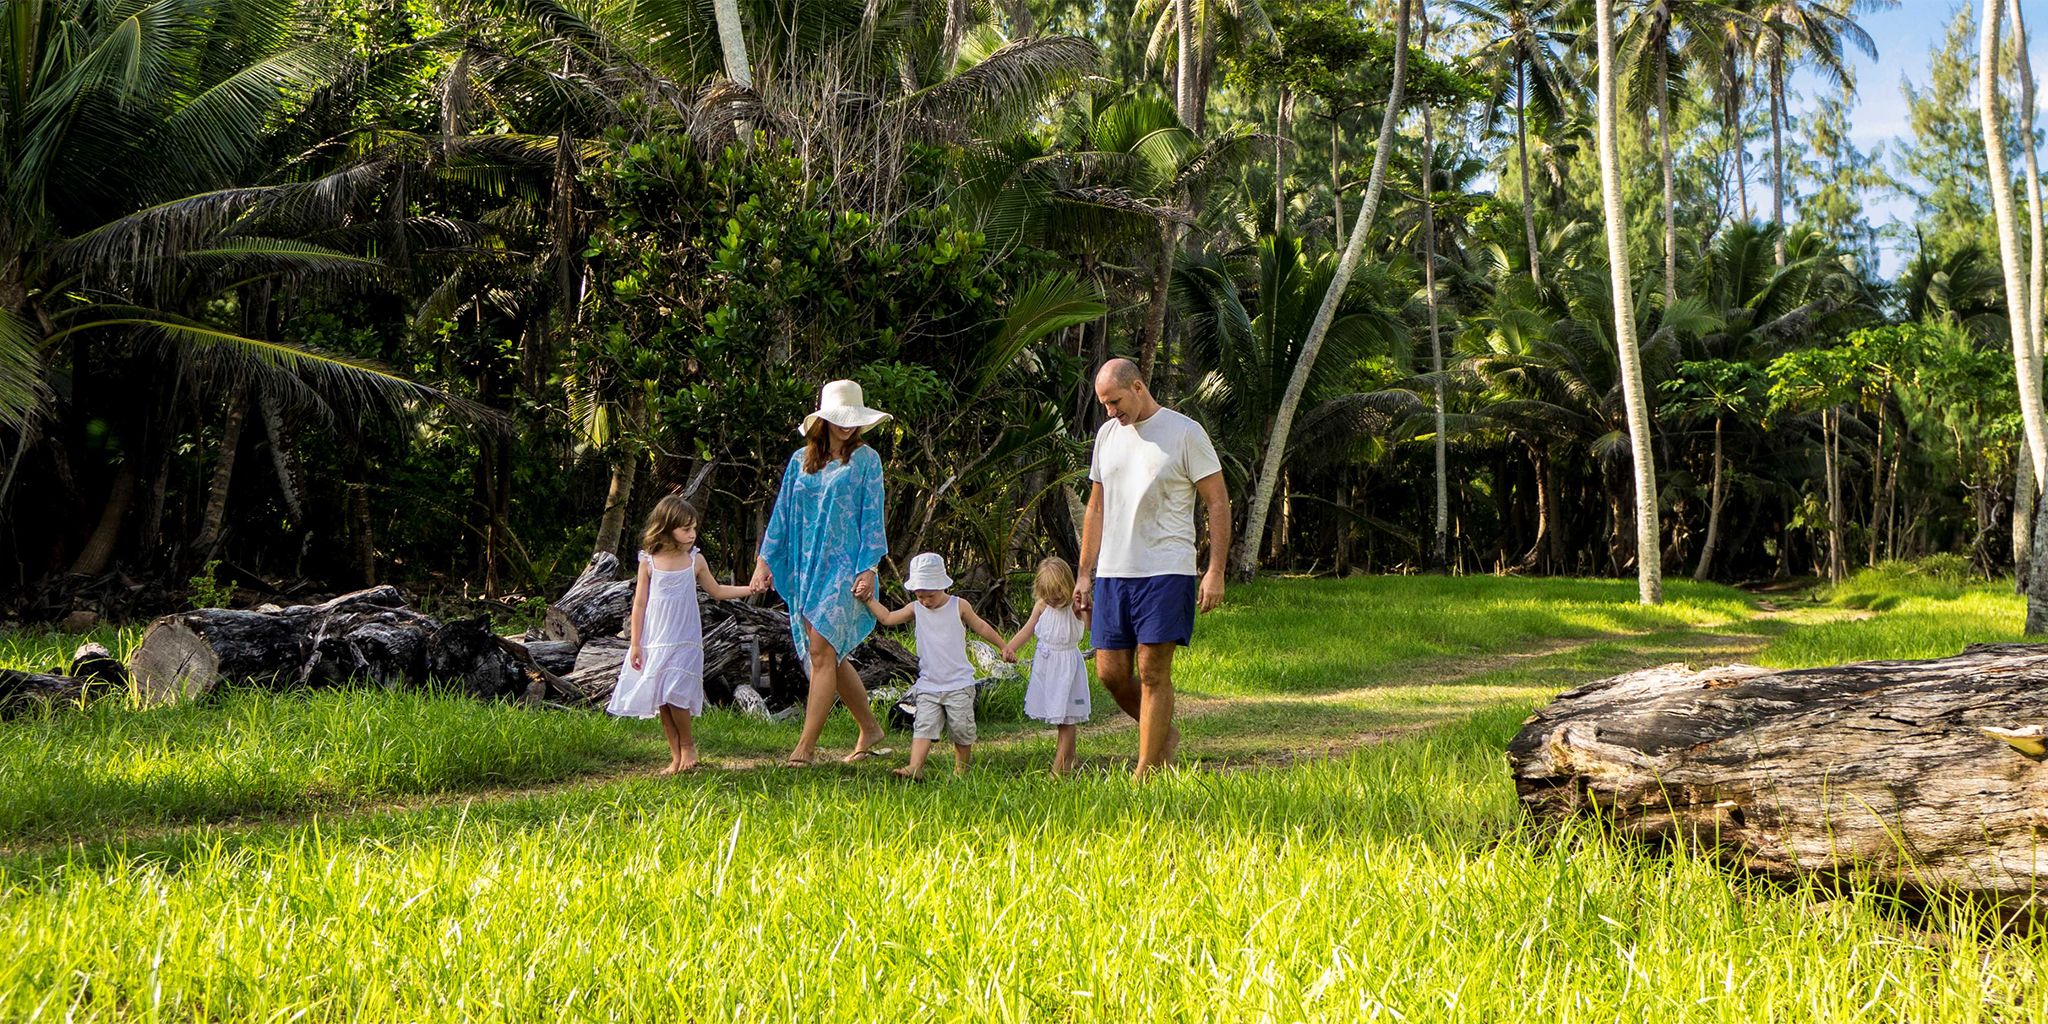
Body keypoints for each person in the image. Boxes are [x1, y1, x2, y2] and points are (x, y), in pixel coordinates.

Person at [1075, 358, 1230, 777]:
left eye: (1115, 402)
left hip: (1166, 569)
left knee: (1152, 670)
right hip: (1113, 572)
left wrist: (1215, 570)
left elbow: (1217, 501)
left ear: (1138, 387)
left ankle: (1146, 768)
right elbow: (1096, 507)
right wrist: (1084, 572)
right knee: (1110, 673)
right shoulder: (1107, 436)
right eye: (1105, 405)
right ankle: (1163, 736)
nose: (1111, 412)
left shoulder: (1185, 433)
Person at [752, 380, 896, 766]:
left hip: (845, 568)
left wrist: (869, 568)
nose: (847, 426)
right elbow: (782, 514)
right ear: (825, 419)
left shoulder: (866, 460)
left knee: (820, 650)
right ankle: (869, 728)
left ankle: (806, 747)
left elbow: (872, 518)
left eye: (853, 419)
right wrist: (765, 561)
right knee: (828, 653)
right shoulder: (800, 461)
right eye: (840, 418)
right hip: (805, 569)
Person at [608, 495, 759, 774]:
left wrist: (751, 588)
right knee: (662, 699)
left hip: (685, 639)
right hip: (656, 640)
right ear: (667, 527)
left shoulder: (694, 560)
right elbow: (639, 604)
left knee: (676, 693)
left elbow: (717, 591)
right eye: (686, 529)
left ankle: (688, 746)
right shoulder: (649, 561)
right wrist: (635, 644)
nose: (692, 534)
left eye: (694, 528)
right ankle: (675, 755)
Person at [861, 552, 1013, 779]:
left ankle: (961, 770)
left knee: (961, 730)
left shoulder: (959, 606)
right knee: (923, 726)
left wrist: (1003, 646)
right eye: (919, 596)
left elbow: (981, 626)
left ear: (942, 586)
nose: (925, 601)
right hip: (928, 683)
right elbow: (888, 618)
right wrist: (869, 600)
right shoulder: (915, 608)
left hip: (959, 683)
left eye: (930, 595)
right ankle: (915, 767)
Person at [1003, 556, 1091, 775]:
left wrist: (1085, 606)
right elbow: (1028, 629)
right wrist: (1010, 647)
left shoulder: (1074, 607)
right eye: (1048, 595)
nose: (1053, 600)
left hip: (1066, 669)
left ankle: (1058, 771)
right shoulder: (1042, 606)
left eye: (1057, 594)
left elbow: (1090, 626)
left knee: (1066, 719)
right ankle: (1069, 760)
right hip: (1047, 667)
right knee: (1063, 718)